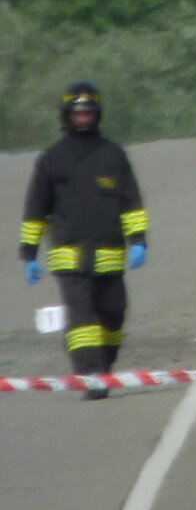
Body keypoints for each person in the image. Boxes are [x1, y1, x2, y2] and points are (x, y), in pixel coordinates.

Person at [18, 82, 150, 398]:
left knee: (113, 315)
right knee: (83, 320)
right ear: (68, 115)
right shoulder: (52, 159)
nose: (83, 118)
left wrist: (139, 239)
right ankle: (90, 376)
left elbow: (131, 201)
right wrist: (29, 253)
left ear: (97, 115)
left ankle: (103, 368)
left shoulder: (113, 155)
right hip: (69, 255)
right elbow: (36, 209)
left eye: (89, 112)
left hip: (110, 254)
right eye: (78, 113)